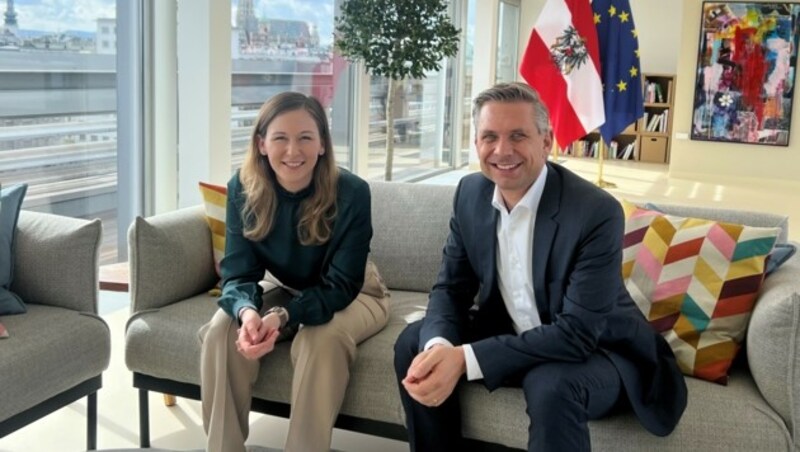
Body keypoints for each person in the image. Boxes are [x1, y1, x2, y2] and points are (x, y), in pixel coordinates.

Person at [394, 82, 687, 452]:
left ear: (546, 141)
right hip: (515, 333)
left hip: (597, 350)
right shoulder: (470, 193)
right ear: (476, 144)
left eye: (518, 136)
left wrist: (465, 359)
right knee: (416, 345)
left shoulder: (595, 212)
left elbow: (577, 334)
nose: (502, 150)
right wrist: (440, 347)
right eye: (490, 137)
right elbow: (451, 289)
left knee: (551, 384)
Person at [200, 92, 390, 452]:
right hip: (288, 286)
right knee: (222, 329)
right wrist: (249, 311)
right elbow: (238, 273)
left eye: (305, 137)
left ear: (322, 144)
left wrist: (284, 316)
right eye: (280, 138)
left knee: (320, 339)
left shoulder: (352, 192)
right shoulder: (243, 187)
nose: (293, 151)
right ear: (261, 144)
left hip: (356, 290)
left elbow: (341, 285)